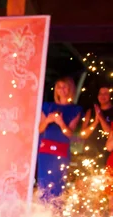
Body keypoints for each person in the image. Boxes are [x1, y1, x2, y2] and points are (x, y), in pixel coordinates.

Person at [37, 77, 82, 205]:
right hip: (45, 151)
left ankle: (56, 213)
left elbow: (69, 134)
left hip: (61, 151)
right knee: (44, 182)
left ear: (70, 88)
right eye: (59, 86)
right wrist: (48, 120)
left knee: (58, 183)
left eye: (64, 86)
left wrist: (61, 123)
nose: (61, 90)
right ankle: (43, 212)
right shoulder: (47, 106)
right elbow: (39, 129)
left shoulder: (76, 109)